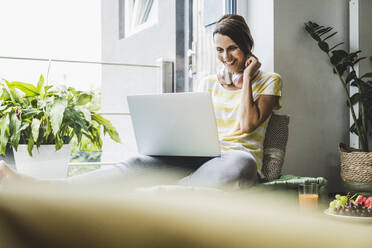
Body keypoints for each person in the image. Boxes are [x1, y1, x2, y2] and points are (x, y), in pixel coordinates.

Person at [0, 14, 282, 190]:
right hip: (202, 154)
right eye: (220, 50)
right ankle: (44, 189)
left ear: (247, 45)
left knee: (241, 164)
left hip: (236, 158)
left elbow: (247, 125)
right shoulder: (208, 83)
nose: (226, 57)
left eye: (232, 48)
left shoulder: (269, 81)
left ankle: (158, 198)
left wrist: (246, 78)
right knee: (136, 162)